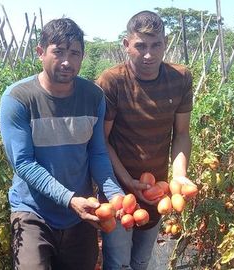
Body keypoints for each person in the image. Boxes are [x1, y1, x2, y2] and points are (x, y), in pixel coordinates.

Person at [0, 18, 124, 270]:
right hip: (33, 212)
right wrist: (70, 199)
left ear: (82, 56)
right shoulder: (18, 98)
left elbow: (97, 152)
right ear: (40, 52)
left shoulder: (93, 96)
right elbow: (24, 164)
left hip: (81, 215)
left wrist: (114, 193)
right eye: (58, 52)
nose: (67, 61)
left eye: (74, 53)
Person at [96, 10, 195, 270]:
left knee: (141, 260)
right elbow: (102, 141)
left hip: (155, 189)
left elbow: (182, 133)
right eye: (140, 46)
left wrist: (180, 174)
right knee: (118, 263)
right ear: (127, 45)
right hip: (118, 188)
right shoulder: (112, 82)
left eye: (156, 45)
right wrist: (127, 181)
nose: (149, 54)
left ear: (165, 44)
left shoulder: (180, 78)